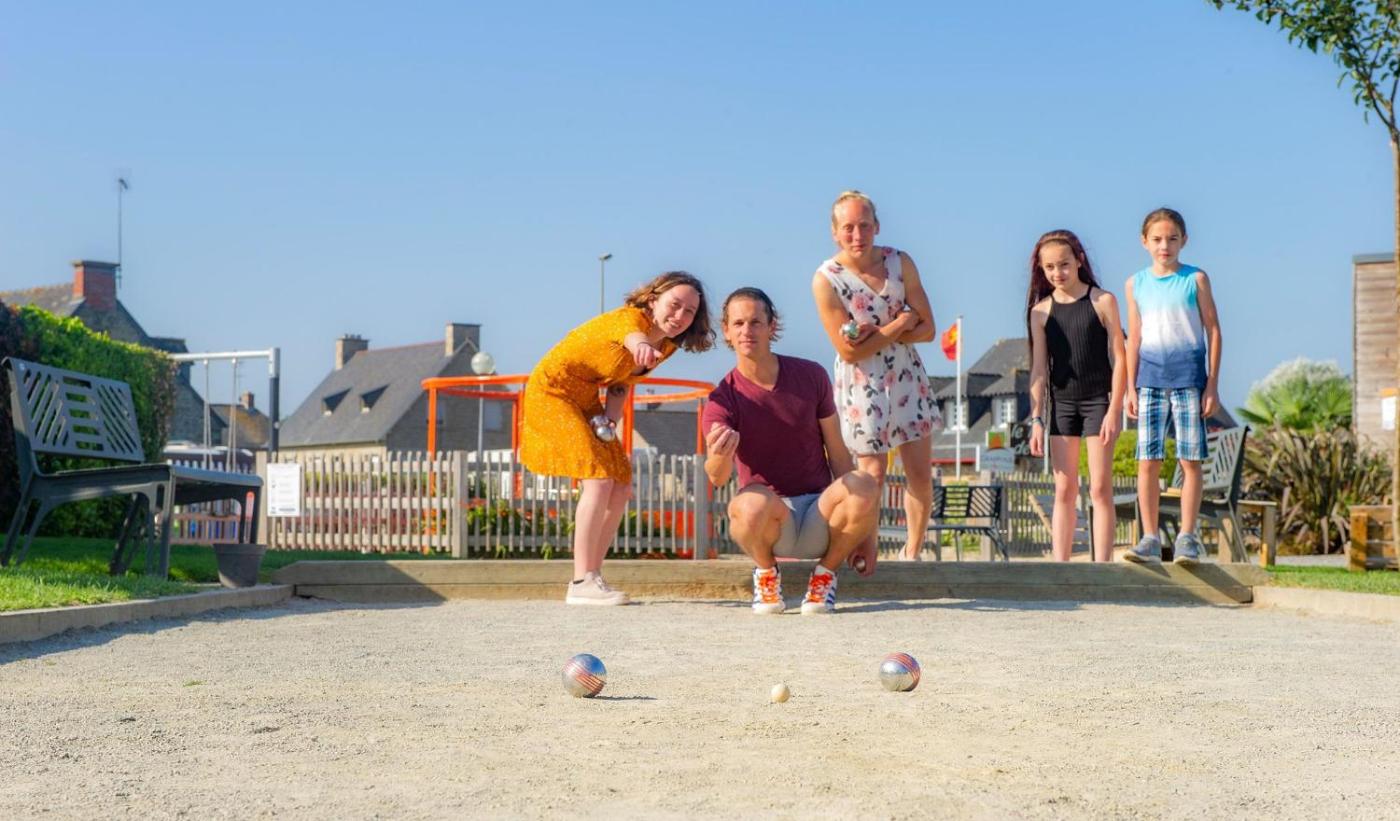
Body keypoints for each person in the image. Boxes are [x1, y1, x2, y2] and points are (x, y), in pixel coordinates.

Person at [521, 271, 714, 604]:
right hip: (552, 391)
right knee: (598, 480)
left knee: (621, 484)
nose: (680, 316)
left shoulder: (667, 346)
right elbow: (632, 339)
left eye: (690, 311)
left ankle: (593, 576)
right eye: (674, 304)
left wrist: (610, 420)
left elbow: (620, 382)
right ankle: (581, 581)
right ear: (653, 300)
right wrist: (641, 345)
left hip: (586, 399)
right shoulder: (629, 319)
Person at [702, 287, 879, 614]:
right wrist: (719, 454)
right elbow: (717, 477)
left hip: (820, 513)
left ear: (772, 326)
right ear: (726, 330)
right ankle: (766, 576)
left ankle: (825, 576)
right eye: (738, 323)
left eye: (756, 322)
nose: (747, 330)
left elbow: (839, 455)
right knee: (746, 506)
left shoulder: (811, 375)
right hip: (770, 519)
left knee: (865, 482)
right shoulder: (722, 399)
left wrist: (867, 537)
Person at [811, 190, 941, 561]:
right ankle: (864, 551)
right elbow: (849, 351)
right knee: (871, 474)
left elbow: (929, 329)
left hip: (905, 376)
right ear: (835, 232)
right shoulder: (826, 279)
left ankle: (912, 551)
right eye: (848, 227)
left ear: (877, 226)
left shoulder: (900, 262)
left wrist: (878, 335)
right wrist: (900, 323)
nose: (858, 235)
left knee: (919, 474)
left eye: (864, 225)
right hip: (861, 383)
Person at [1121, 208, 1223, 565]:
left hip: (1189, 380)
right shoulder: (1135, 284)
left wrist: (1212, 384)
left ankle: (1187, 536)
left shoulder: (1195, 279)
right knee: (1148, 460)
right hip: (1150, 381)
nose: (1165, 246)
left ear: (1184, 240)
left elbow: (1213, 330)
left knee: (1190, 459)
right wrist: (1129, 388)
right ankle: (1149, 537)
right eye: (1157, 239)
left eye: (1172, 239)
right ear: (1144, 242)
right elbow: (1134, 338)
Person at [1025, 230, 1127, 562]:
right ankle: (1061, 567)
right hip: (1062, 405)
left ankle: (1103, 567)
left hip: (1099, 402)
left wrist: (1114, 409)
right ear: (1042, 269)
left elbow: (1120, 358)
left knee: (1099, 488)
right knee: (1064, 489)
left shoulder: (1103, 301)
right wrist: (1036, 419)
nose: (1058, 273)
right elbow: (1039, 369)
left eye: (1064, 264)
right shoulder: (1040, 312)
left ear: (1079, 260)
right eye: (1050, 267)